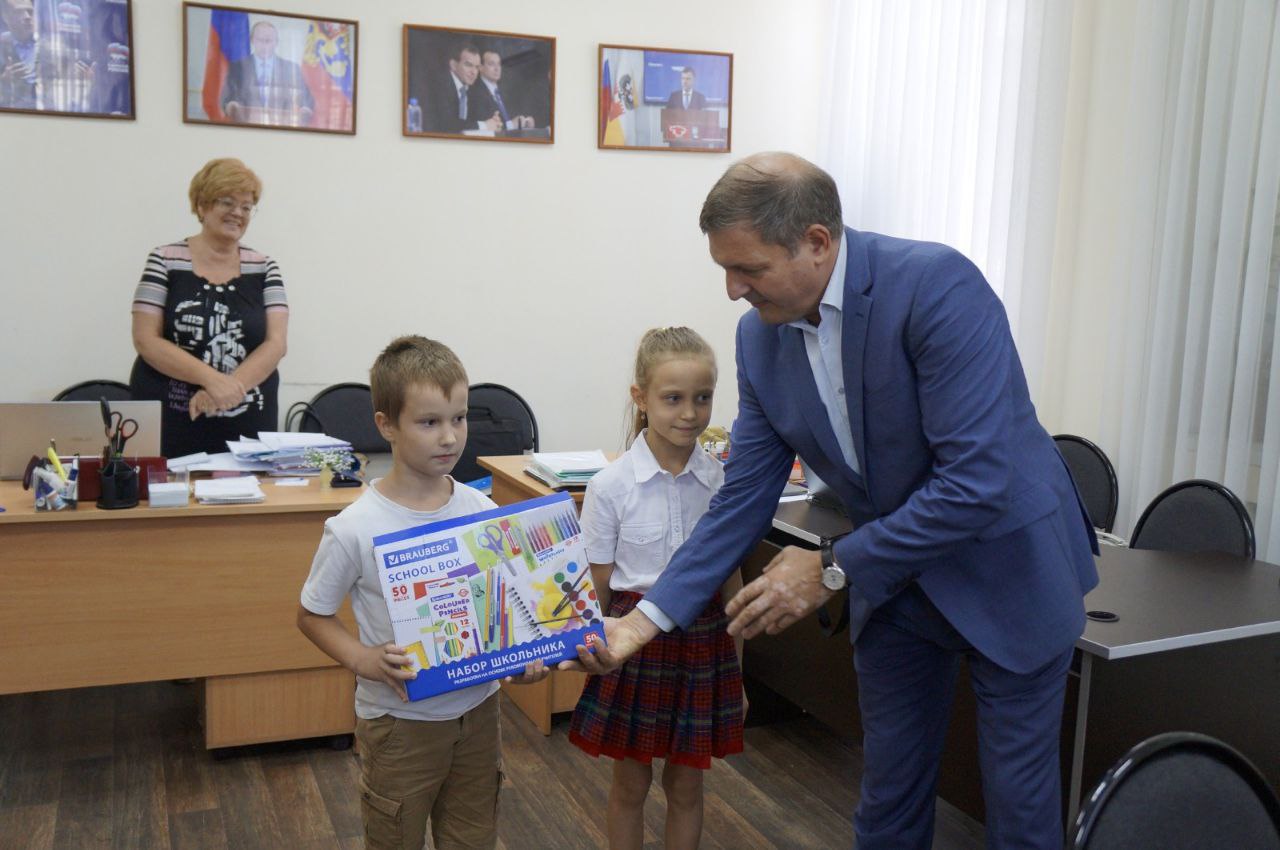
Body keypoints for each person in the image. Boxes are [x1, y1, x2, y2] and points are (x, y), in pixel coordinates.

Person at [568, 153, 1099, 850]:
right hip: (899, 582)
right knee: (887, 805)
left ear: (816, 243)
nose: (731, 290)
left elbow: (976, 483)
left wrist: (832, 566)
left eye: (748, 269)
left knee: (1018, 817)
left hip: (1007, 569)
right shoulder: (759, 338)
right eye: (725, 269)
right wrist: (640, 625)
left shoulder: (936, 287)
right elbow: (742, 498)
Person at [297, 335, 549, 850]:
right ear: (386, 424)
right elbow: (312, 615)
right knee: (395, 835)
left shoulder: (481, 511)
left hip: (480, 712)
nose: (450, 437)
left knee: (473, 835)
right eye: (429, 422)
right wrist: (363, 659)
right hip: (399, 724)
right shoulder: (354, 527)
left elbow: (505, 608)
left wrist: (526, 656)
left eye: (459, 418)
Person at [568, 327, 744, 850]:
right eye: (673, 398)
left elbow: (731, 586)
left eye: (702, 397)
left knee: (687, 785)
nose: (690, 413)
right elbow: (597, 589)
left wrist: (738, 677)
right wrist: (593, 657)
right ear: (641, 398)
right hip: (633, 644)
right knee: (630, 784)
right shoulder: (610, 486)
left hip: (703, 642)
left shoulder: (722, 483)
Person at [129, 158, 288, 458]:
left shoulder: (265, 267)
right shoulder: (164, 259)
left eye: (246, 206)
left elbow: (276, 343)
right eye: (227, 202)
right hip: (171, 419)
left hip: (248, 420)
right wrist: (212, 380)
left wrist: (227, 390)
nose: (238, 213)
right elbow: (145, 339)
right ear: (201, 206)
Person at [220, 20, 314, 125]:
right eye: (260, 40)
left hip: (282, 128)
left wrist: (305, 109)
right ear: (252, 40)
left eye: (268, 40)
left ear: (276, 42)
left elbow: (306, 99)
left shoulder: (291, 69)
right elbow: (227, 98)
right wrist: (231, 106)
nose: (264, 45)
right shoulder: (237, 67)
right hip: (245, 128)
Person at [422, 42, 499, 134]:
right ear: (453, 65)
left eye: (477, 67)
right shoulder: (439, 85)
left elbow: (479, 119)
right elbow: (447, 124)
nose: (474, 72)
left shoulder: (472, 89)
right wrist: (484, 125)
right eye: (468, 65)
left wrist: (494, 121)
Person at [470, 48, 533, 133]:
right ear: (481, 68)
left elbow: (514, 117)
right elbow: (487, 125)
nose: (497, 68)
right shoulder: (474, 92)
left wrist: (525, 121)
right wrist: (511, 125)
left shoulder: (504, 91)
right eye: (491, 64)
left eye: (499, 64)